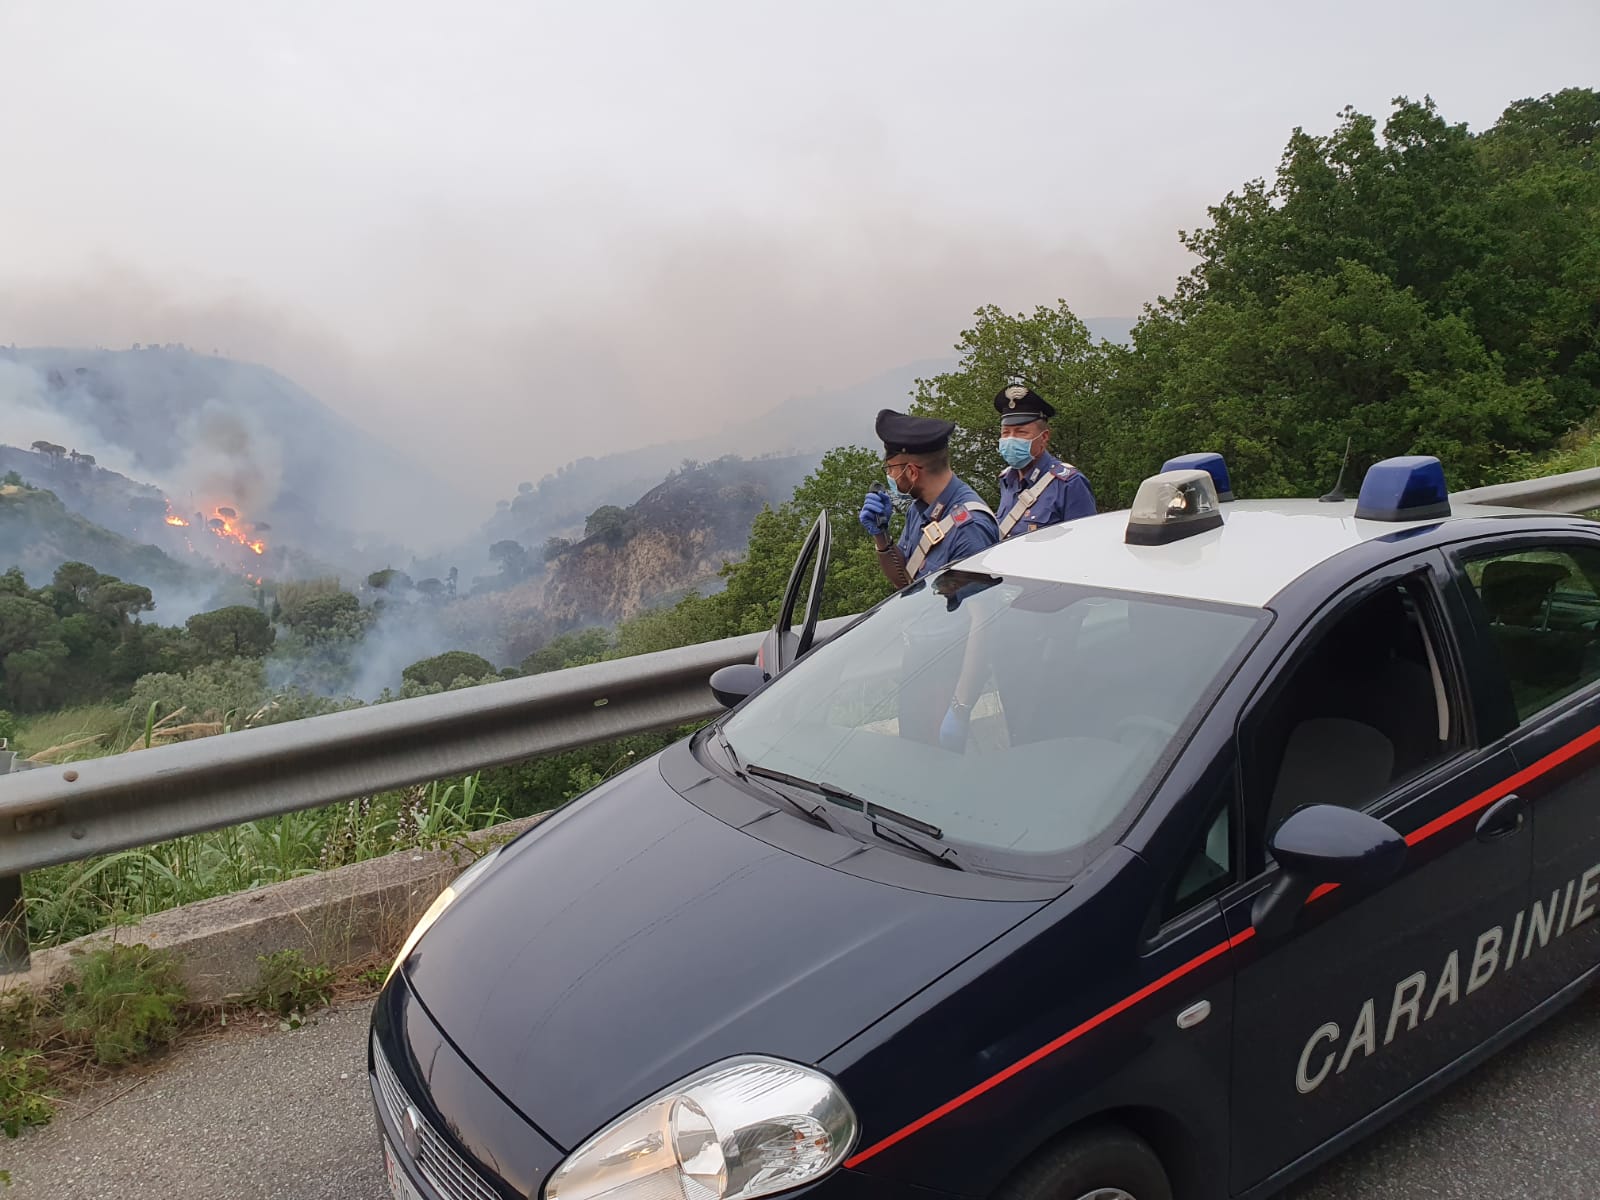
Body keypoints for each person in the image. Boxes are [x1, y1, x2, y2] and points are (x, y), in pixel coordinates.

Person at [857, 409, 999, 590]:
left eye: (890, 468)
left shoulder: (969, 529)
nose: (889, 475)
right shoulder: (919, 509)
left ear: (911, 472)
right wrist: (881, 535)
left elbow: (975, 609)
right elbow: (904, 580)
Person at [992, 384, 1096, 539]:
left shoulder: (1069, 484)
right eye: (1006, 432)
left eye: (1021, 432)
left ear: (1044, 437)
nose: (1011, 439)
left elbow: (1085, 544)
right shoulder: (1007, 480)